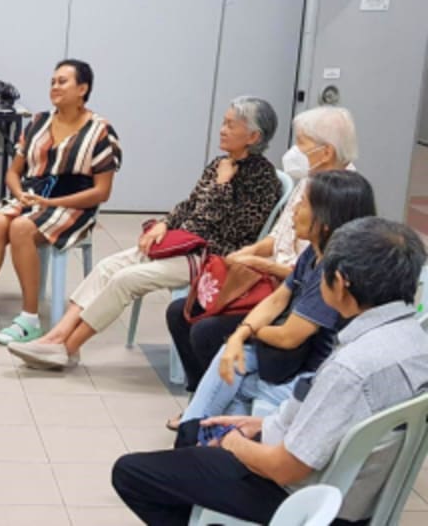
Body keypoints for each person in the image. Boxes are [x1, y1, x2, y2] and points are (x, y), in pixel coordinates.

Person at [112, 217, 428, 525]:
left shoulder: (351, 369)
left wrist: (234, 443)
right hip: (344, 485)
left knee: (132, 474)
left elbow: (285, 468)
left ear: (342, 282)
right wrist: (263, 424)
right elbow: (334, 421)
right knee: (192, 432)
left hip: (303, 496)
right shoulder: (415, 340)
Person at [9, 97, 283, 370]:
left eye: (231, 125)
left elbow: (231, 229)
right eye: (223, 123)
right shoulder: (220, 163)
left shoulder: (263, 178)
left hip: (212, 258)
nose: (222, 130)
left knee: (125, 280)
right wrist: (165, 224)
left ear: (253, 136)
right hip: (182, 245)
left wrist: (222, 185)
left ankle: (68, 349)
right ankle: (55, 337)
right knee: (107, 267)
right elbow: (190, 205)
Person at [165, 106, 359, 405]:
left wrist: (258, 266)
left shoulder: (343, 197)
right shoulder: (309, 181)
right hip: (275, 283)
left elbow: (308, 276)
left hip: (291, 295)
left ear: (326, 152)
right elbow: (278, 236)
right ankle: (201, 395)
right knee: (182, 311)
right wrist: (251, 252)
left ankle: (222, 400)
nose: (294, 151)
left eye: (302, 143)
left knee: (206, 330)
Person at [175, 170, 375, 429]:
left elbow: (288, 336)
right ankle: (200, 433)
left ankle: (196, 432)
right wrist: (240, 335)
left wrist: (244, 334)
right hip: (290, 358)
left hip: (310, 374)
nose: (294, 211)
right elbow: (277, 300)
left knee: (231, 379)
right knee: (230, 362)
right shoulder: (313, 253)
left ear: (325, 220)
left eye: (303, 204)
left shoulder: (331, 273)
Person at [0, 59, 122, 341]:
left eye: (62, 81)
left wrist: (51, 204)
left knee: (20, 228)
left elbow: (101, 192)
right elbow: (13, 173)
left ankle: (30, 318)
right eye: (52, 81)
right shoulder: (39, 122)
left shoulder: (100, 131)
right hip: (33, 196)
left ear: (82, 89)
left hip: (73, 205)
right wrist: (19, 194)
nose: (55, 87)